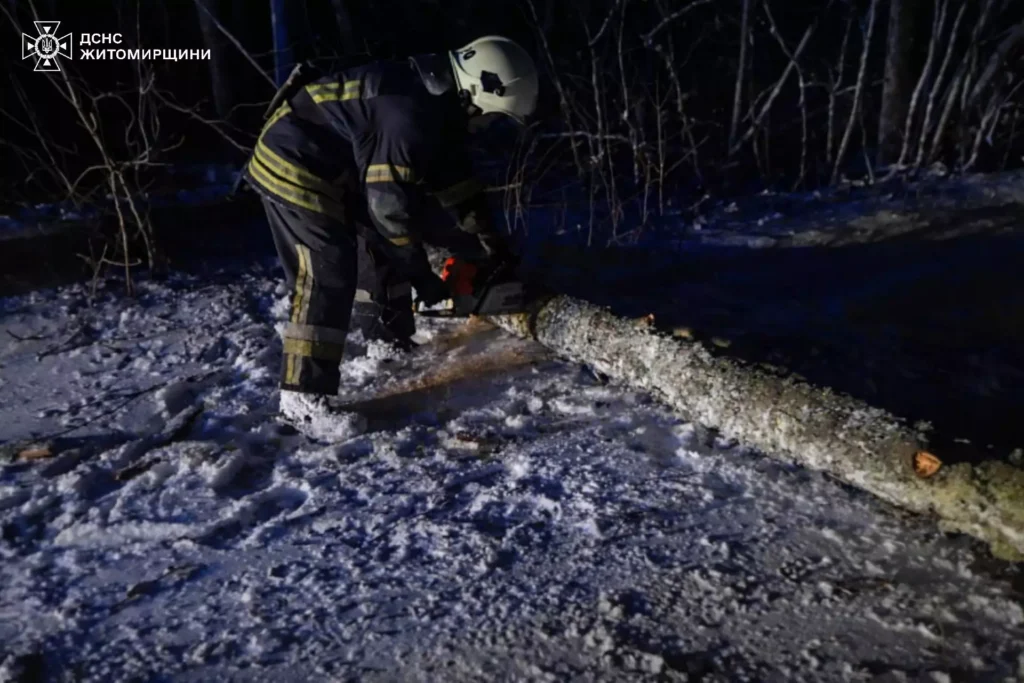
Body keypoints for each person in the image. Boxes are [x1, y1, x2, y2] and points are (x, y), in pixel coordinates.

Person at [242, 35, 539, 436]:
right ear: (474, 91)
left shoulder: (437, 107)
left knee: (381, 249)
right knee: (327, 271)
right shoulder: (410, 113)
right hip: (293, 163)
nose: (485, 125)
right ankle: (302, 399)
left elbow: (457, 186)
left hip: (338, 167)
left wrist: (491, 245)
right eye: (488, 116)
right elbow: (389, 209)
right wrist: (421, 275)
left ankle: (385, 340)